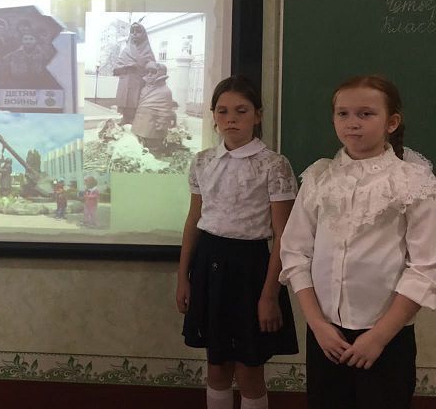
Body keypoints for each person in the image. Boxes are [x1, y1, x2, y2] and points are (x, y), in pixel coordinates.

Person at [280, 75, 436, 409]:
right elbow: (295, 253)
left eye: (366, 114)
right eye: (343, 114)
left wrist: (379, 337)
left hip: (386, 338)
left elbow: (425, 266)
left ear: (391, 122)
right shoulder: (319, 177)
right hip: (326, 336)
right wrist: (317, 325)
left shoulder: (412, 181)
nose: (353, 122)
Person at [176, 75, 298, 409]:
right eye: (223, 111)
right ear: (213, 115)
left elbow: (283, 235)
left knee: (249, 370)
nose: (231, 118)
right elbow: (193, 221)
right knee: (216, 367)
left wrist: (269, 294)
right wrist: (183, 276)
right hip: (208, 263)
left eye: (241, 111)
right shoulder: (203, 161)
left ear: (257, 115)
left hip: (251, 269)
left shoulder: (274, 165)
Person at [113, 21, 155, 125]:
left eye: (138, 31)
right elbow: (116, 69)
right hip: (125, 81)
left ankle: (134, 118)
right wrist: (126, 66)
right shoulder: (125, 51)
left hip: (139, 82)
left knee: (136, 100)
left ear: (143, 34)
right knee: (125, 99)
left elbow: (153, 69)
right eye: (132, 31)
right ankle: (125, 118)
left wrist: (141, 66)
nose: (134, 33)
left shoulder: (147, 51)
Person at [131, 62, 176, 155]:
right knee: (140, 148)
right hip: (140, 124)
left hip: (153, 127)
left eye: (153, 72)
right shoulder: (144, 89)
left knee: (153, 149)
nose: (149, 74)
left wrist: (161, 125)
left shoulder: (165, 91)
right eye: (148, 72)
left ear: (161, 73)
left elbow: (165, 111)